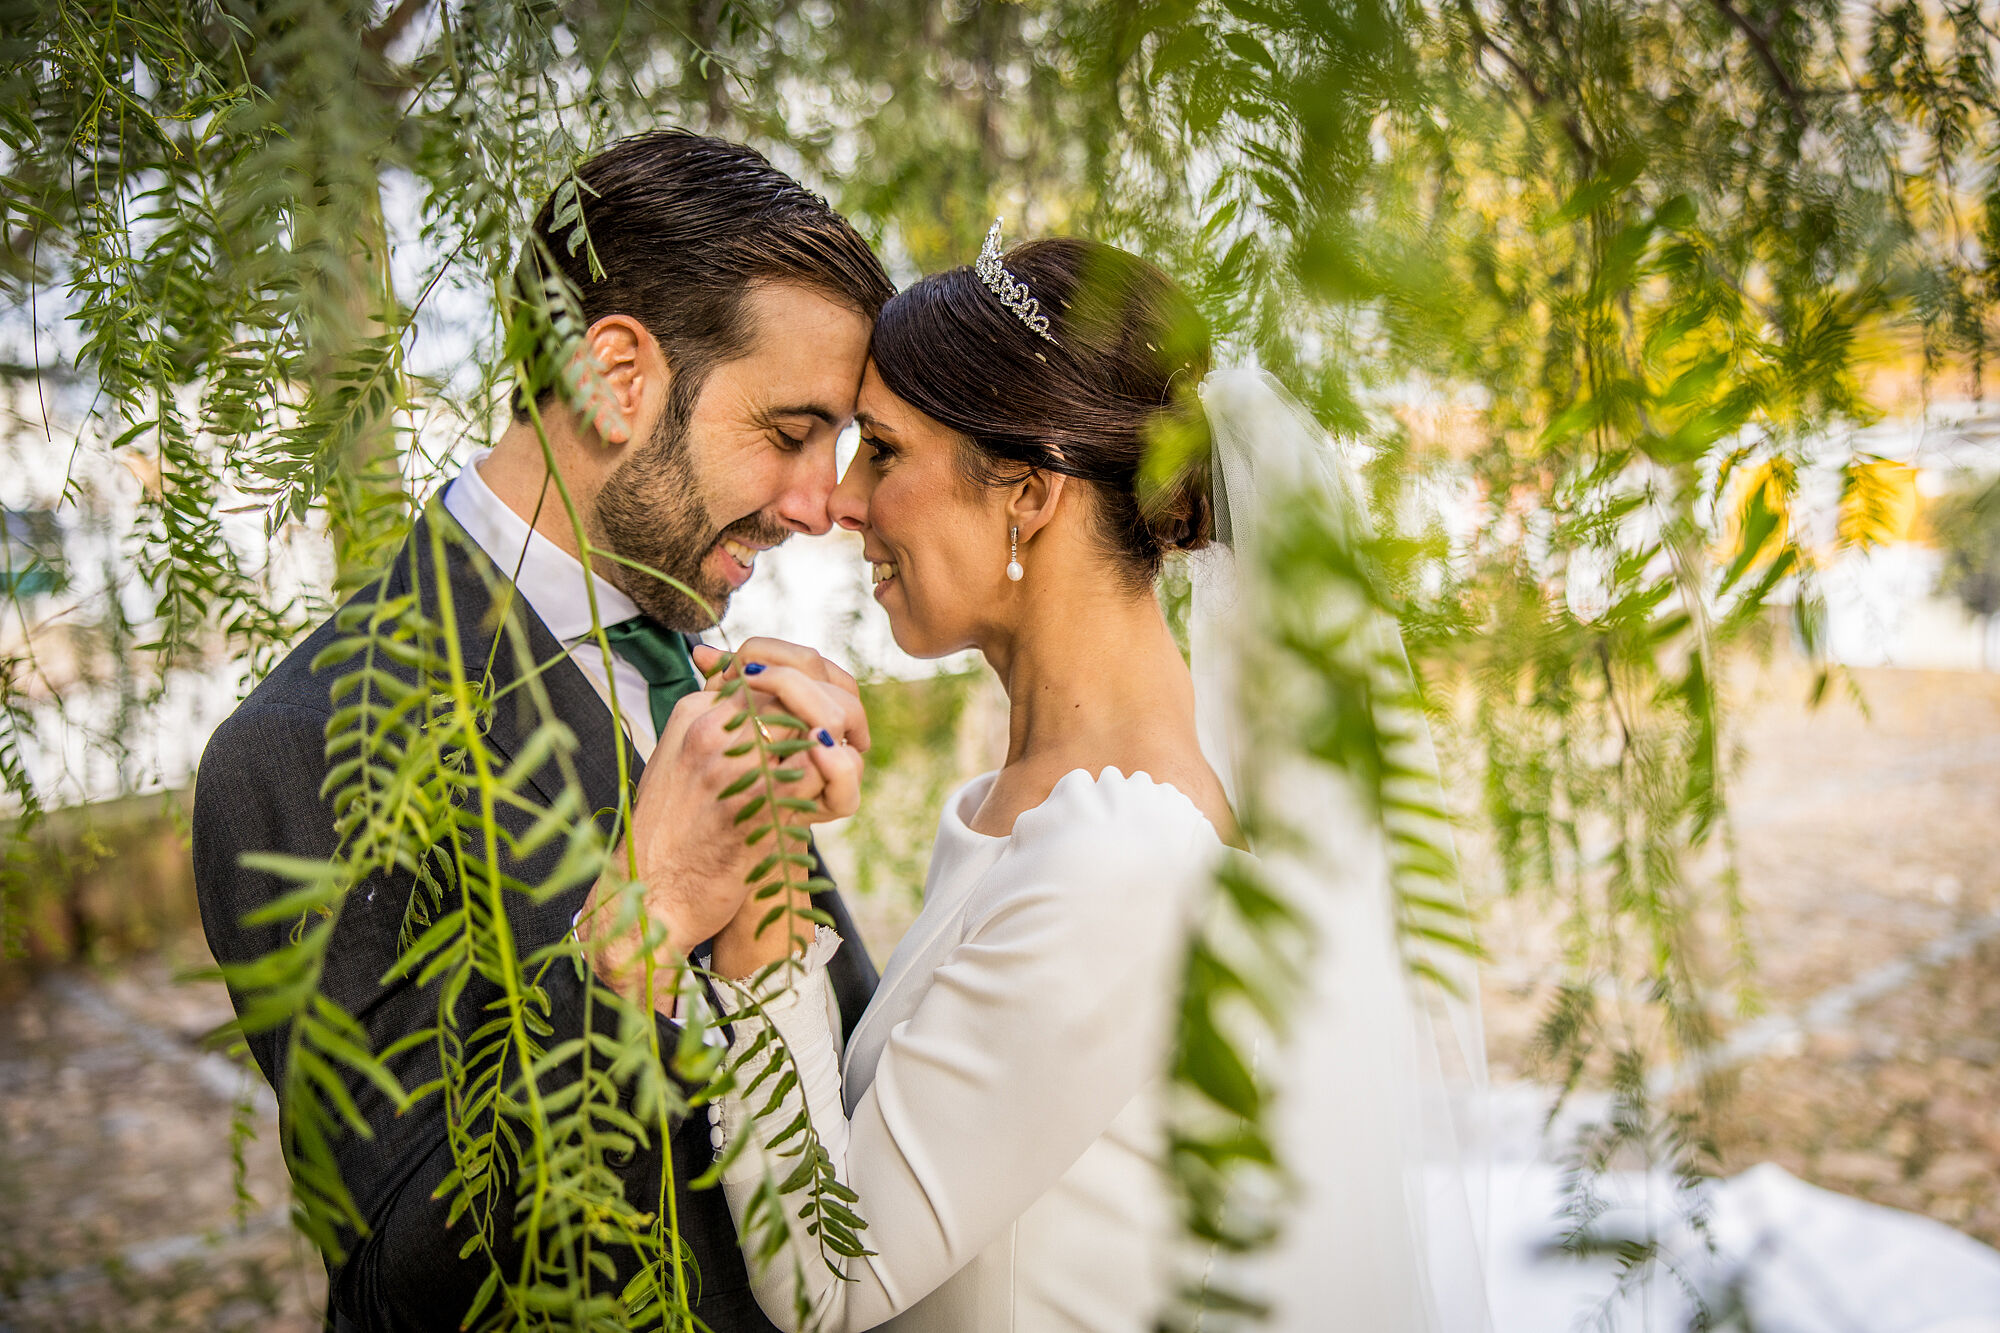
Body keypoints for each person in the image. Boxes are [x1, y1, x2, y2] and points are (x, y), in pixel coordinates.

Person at [191, 130, 889, 1333]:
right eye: (789, 432)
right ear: (616, 375)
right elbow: (404, 1283)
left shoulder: (701, 672)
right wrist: (643, 920)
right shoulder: (299, 747)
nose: (820, 505)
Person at [688, 232, 1236, 1332]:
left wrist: (756, 895)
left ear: (1027, 493)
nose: (838, 500)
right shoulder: (1019, 808)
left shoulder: (1121, 856)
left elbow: (829, 1284)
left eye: (880, 451)